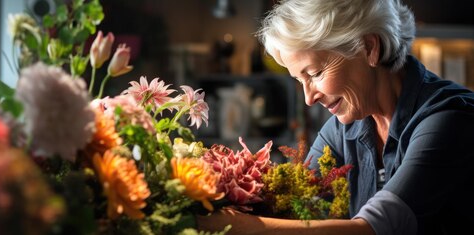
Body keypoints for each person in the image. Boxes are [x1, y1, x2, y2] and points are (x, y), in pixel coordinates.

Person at [197, 0, 474, 234]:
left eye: (315, 74)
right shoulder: (342, 129)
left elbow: (375, 228)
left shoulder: (448, 119)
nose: (309, 98)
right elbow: (296, 203)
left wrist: (246, 226)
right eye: (299, 80)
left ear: (369, 48)